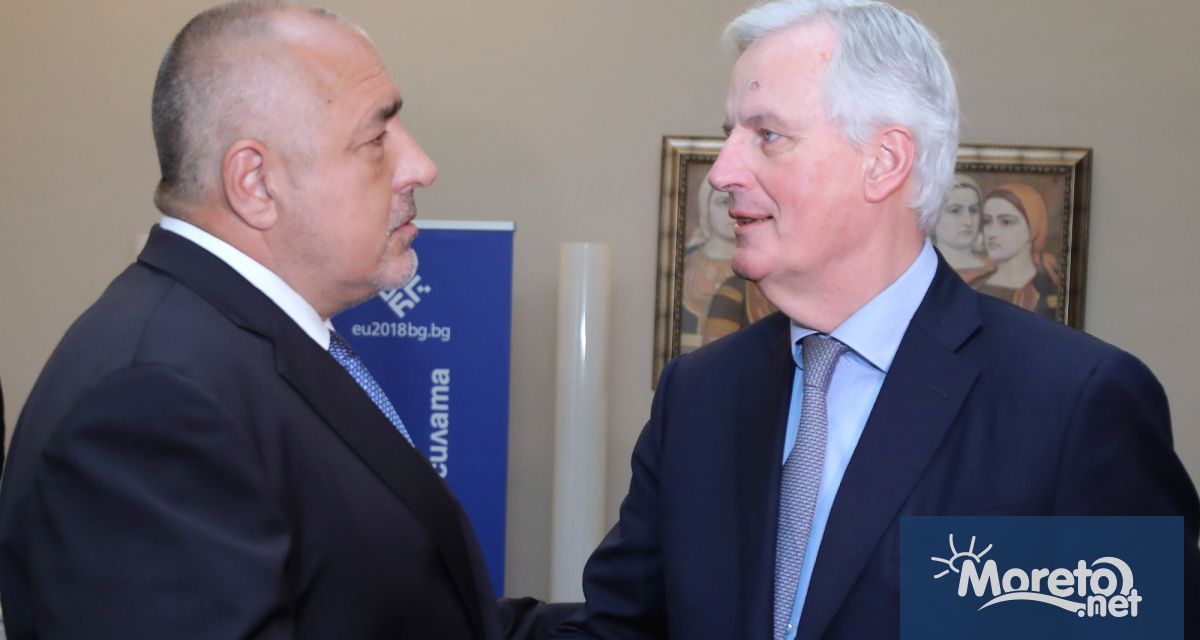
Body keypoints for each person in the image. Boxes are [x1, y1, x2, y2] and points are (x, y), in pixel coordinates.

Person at [551, 1, 1199, 638]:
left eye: (766, 135)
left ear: (885, 161)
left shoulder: (1073, 403)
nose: (723, 172)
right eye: (730, 135)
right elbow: (620, 628)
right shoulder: (700, 395)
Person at [0, 3, 567, 638]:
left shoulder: (245, 344)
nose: (420, 166)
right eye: (376, 139)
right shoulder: (153, 400)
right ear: (256, 183)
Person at [972, 183, 1062, 319]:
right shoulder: (973, 286)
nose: (992, 233)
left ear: (1033, 226)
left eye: (1006, 222)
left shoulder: (1049, 291)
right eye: (987, 222)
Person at [680, 171, 738, 351]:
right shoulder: (686, 262)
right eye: (723, 202)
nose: (732, 211)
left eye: (738, 202)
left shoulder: (760, 267)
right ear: (705, 207)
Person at [933, 173, 991, 284]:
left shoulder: (994, 267)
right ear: (933, 215)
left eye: (973, 210)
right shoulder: (923, 267)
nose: (968, 221)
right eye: (955, 211)